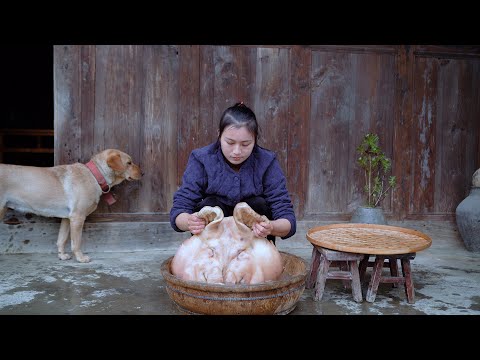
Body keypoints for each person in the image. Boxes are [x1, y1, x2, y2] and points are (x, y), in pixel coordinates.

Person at [169, 102, 296, 244]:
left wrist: (270, 227)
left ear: (255, 139)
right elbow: (180, 209)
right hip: (211, 246)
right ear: (219, 135)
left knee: (259, 205)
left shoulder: (267, 161)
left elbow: (287, 220)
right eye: (230, 142)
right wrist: (189, 222)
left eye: (245, 144)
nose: (237, 151)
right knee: (210, 204)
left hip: (254, 246)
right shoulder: (201, 159)